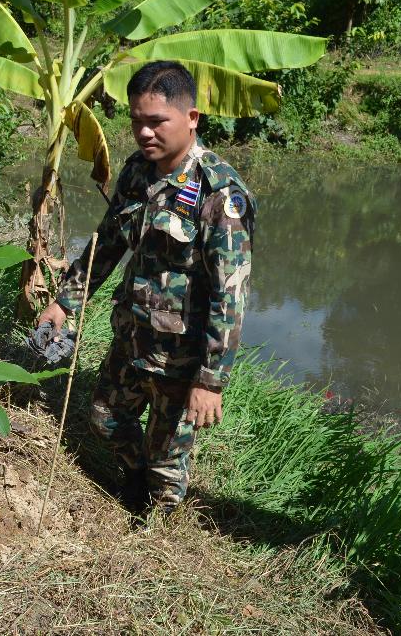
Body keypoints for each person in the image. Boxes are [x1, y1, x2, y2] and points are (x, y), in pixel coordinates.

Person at [36, 61, 255, 515]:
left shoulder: (219, 194)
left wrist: (210, 380)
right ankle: (132, 479)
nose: (144, 132)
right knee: (103, 417)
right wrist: (65, 300)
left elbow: (229, 296)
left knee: (167, 462)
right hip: (133, 335)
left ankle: (157, 530)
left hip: (180, 356)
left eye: (157, 121)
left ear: (191, 119)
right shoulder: (138, 172)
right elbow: (107, 242)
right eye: (137, 120)